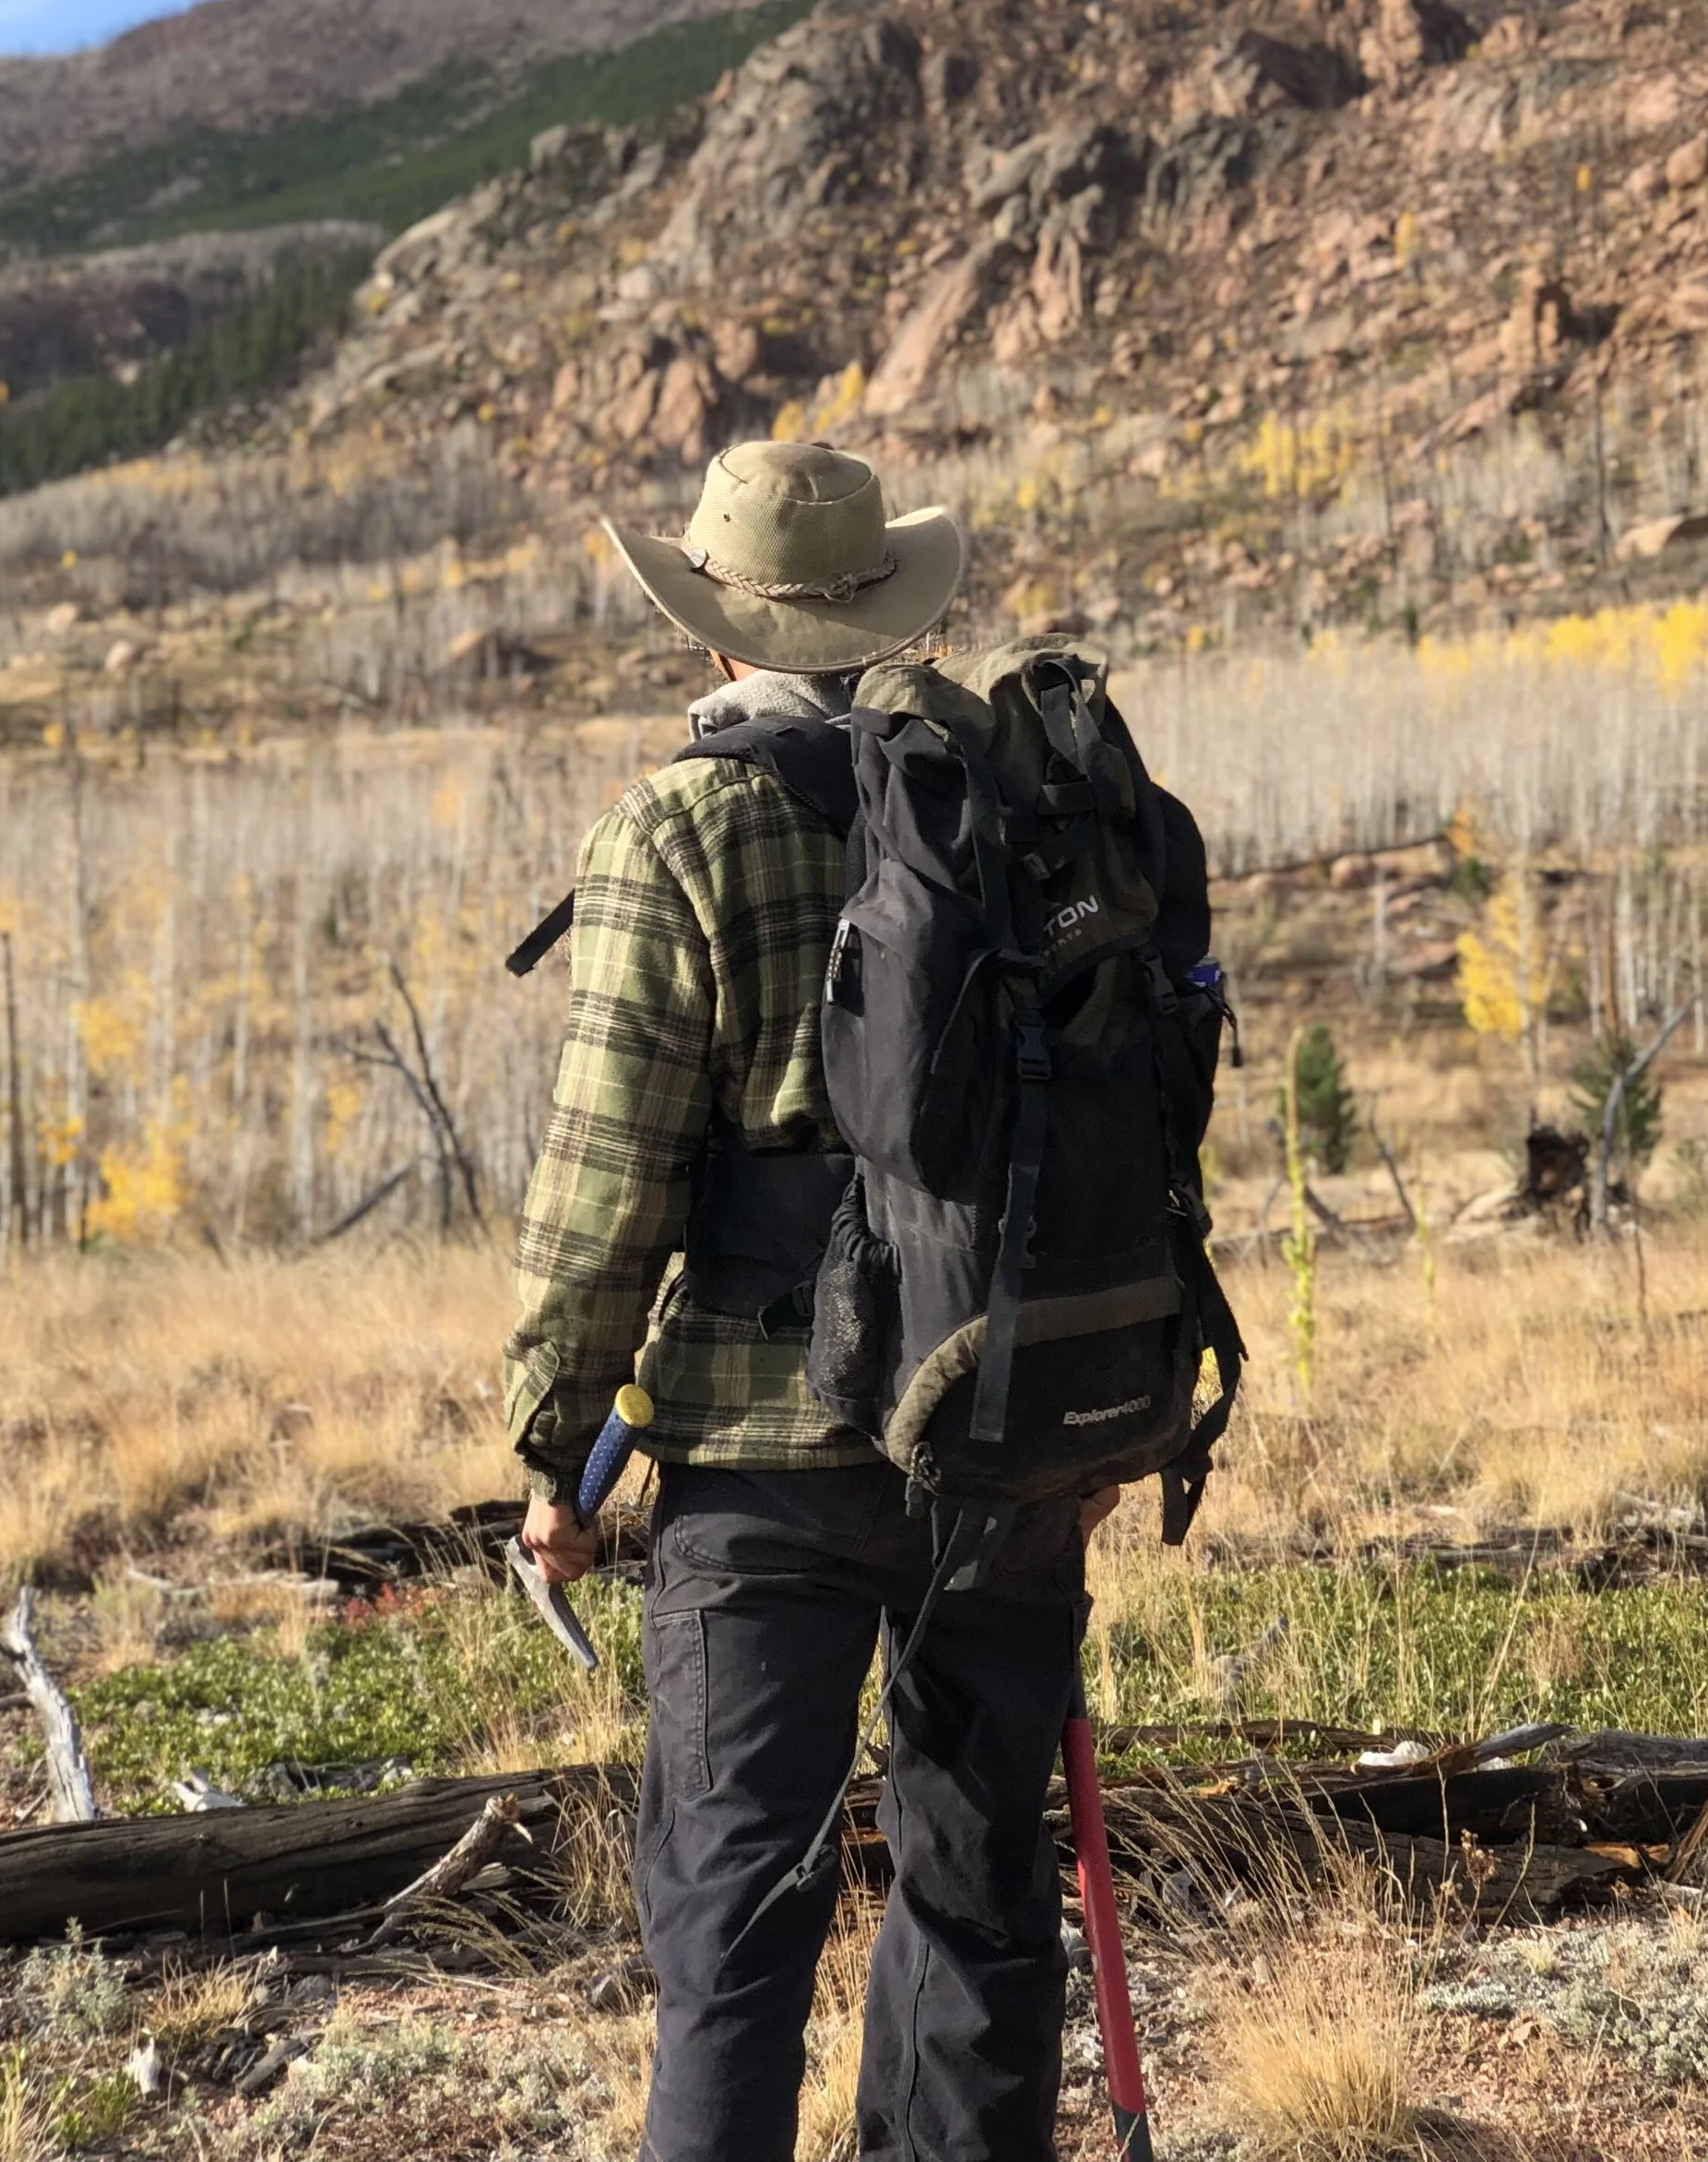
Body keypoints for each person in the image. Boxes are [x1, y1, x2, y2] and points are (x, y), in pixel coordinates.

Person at [505, 437, 1109, 2162]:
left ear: (714, 633)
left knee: (732, 1936)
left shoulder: (679, 828)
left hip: (761, 1466)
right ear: (891, 611)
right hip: (1002, 1429)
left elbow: (601, 1183)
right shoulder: (1009, 805)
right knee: (984, 1910)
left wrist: (556, 1453)